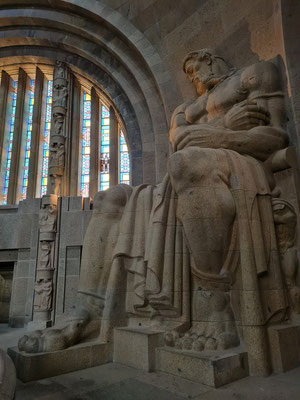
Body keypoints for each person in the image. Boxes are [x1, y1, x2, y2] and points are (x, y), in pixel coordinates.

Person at [19, 49, 290, 375]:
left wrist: (212, 134)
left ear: (210, 58)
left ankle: (213, 305)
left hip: (241, 168)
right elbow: (181, 140)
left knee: (186, 163)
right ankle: (88, 311)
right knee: (110, 197)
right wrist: (225, 125)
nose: (195, 79)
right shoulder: (185, 110)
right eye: (189, 76)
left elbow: (274, 137)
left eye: (195, 69)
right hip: (183, 176)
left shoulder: (255, 75)